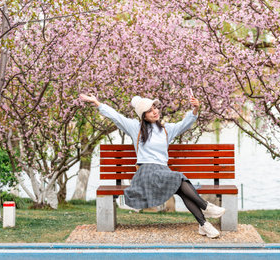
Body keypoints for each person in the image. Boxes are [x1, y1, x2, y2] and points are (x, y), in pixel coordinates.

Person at [79, 93, 226, 238]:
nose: (155, 112)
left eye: (155, 108)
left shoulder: (166, 129)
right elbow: (116, 117)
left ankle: (203, 225)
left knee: (181, 187)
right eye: (149, 110)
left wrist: (195, 109)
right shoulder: (135, 128)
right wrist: (97, 103)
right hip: (146, 172)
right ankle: (205, 207)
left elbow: (185, 124)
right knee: (179, 178)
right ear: (143, 115)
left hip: (163, 172)